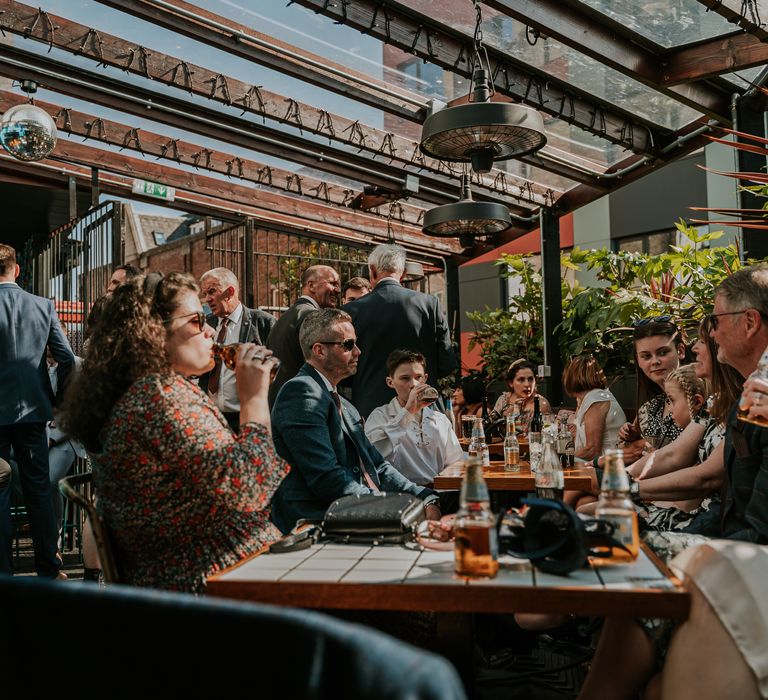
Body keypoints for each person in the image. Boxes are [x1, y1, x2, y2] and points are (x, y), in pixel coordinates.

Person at [61, 272, 288, 593]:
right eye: (196, 321)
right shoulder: (162, 400)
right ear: (153, 333)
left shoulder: (140, 391)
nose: (210, 330)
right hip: (211, 580)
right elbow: (251, 490)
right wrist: (253, 397)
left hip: (192, 571)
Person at [270, 309, 441, 534]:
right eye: (348, 345)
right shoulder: (300, 391)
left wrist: (424, 496)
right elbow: (327, 478)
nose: (358, 352)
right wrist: (390, 507)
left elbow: (377, 464)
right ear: (319, 350)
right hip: (317, 524)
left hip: (354, 514)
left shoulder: (343, 404)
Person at [0, 244, 75, 579]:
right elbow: (67, 357)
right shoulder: (43, 306)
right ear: (17, 270)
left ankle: (4, 571)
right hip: (33, 413)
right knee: (39, 489)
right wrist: (57, 399)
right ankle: (49, 566)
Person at [342, 244, 456, 418]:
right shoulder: (429, 304)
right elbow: (447, 363)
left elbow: (344, 366)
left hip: (370, 407)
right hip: (423, 404)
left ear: (372, 271)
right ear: (402, 274)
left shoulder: (353, 310)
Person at [364, 349, 463, 487]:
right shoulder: (380, 416)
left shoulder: (440, 419)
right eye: (405, 378)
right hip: (402, 496)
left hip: (441, 492)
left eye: (418, 377)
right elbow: (374, 456)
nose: (414, 384)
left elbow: (456, 462)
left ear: (426, 379)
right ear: (390, 382)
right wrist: (408, 412)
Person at [198, 267, 277, 432]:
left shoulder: (263, 323)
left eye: (211, 291)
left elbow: (276, 371)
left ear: (230, 291)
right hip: (212, 418)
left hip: (244, 418)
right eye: (205, 294)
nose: (207, 299)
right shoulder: (207, 325)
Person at [266, 265, 341, 407]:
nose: (337, 290)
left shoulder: (286, 317)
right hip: (304, 402)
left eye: (338, 285)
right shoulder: (312, 316)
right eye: (332, 283)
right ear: (311, 286)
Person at [617, 316, 688, 461]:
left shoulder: (698, 400)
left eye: (663, 352)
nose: (655, 361)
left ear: (680, 351)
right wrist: (631, 437)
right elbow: (624, 451)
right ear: (638, 361)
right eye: (646, 356)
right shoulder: (649, 408)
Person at [563, 355, 626, 461]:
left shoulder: (595, 398)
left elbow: (592, 451)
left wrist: (560, 459)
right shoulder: (587, 398)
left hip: (608, 465)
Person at [492, 359, 552, 431]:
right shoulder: (503, 400)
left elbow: (548, 432)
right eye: (521, 380)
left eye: (530, 379)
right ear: (511, 383)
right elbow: (489, 426)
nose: (527, 384)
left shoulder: (541, 403)